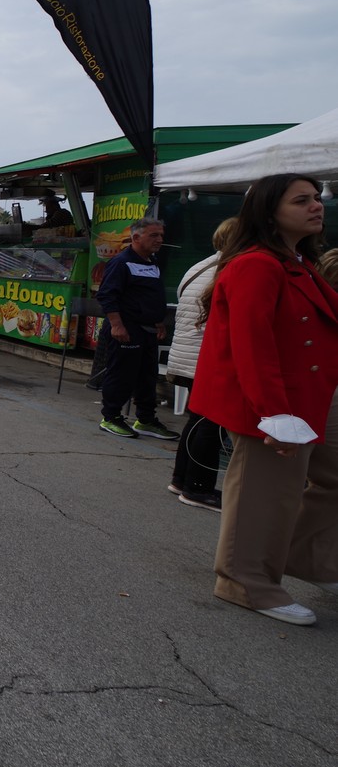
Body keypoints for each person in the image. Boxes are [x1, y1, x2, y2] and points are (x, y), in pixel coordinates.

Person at [189, 173, 338, 627]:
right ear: (269, 212)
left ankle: (310, 559)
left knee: (329, 478)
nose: (316, 205)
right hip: (275, 401)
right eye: (301, 200)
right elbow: (252, 345)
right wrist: (274, 414)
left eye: (316, 198)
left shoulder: (296, 261)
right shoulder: (257, 265)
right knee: (265, 493)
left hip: (311, 395)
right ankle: (244, 582)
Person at [165, 220, 239, 513]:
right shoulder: (228, 270)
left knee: (197, 420)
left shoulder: (199, 267)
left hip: (185, 355)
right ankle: (198, 487)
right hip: (205, 358)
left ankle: (182, 479)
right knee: (210, 423)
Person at [95, 216, 178, 441]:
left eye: (161, 235)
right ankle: (111, 417)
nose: (159, 239)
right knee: (121, 375)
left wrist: (158, 321)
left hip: (148, 331)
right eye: (154, 235)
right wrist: (117, 325)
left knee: (147, 377)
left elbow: (149, 295)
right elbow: (106, 295)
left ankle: (146, 420)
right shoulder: (121, 262)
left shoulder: (151, 262)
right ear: (136, 237)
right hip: (126, 329)